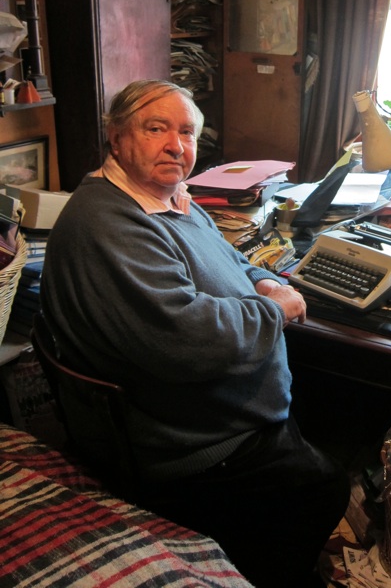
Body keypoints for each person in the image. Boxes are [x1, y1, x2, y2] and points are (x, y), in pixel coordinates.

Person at [41, 79, 350, 588]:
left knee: (325, 413)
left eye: (186, 132)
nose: (175, 146)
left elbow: (230, 258)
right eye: (155, 128)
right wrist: (275, 310)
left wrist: (264, 280)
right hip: (191, 444)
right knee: (325, 487)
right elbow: (188, 340)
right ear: (116, 138)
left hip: (218, 412)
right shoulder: (110, 224)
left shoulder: (169, 197)